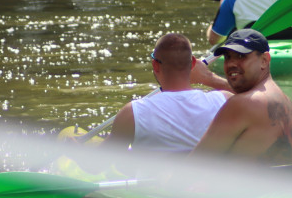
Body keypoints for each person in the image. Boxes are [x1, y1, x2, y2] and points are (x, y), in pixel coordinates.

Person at [93, 33, 231, 153]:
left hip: (153, 183)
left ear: (155, 65)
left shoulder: (133, 113)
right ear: (193, 63)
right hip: (201, 182)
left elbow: (95, 167)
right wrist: (210, 78)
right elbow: (251, 97)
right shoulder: (224, 101)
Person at [189, 29, 292, 166]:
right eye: (228, 57)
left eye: (241, 56)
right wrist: (208, 79)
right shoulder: (284, 100)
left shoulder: (240, 104)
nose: (231, 63)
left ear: (264, 60)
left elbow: (195, 165)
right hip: (288, 184)